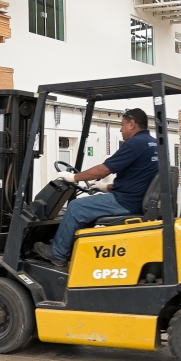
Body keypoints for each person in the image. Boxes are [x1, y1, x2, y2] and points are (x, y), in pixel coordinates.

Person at [33, 108, 159, 267]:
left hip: (126, 202)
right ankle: (68, 245)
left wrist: (73, 177)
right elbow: (138, 179)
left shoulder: (135, 144)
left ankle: (58, 254)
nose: (121, 129)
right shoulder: (152, 143)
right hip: (135, 198)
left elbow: (104, 169)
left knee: (75, 207)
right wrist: (106, 187)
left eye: (123, 125)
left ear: (132, 124)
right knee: (86, 209)